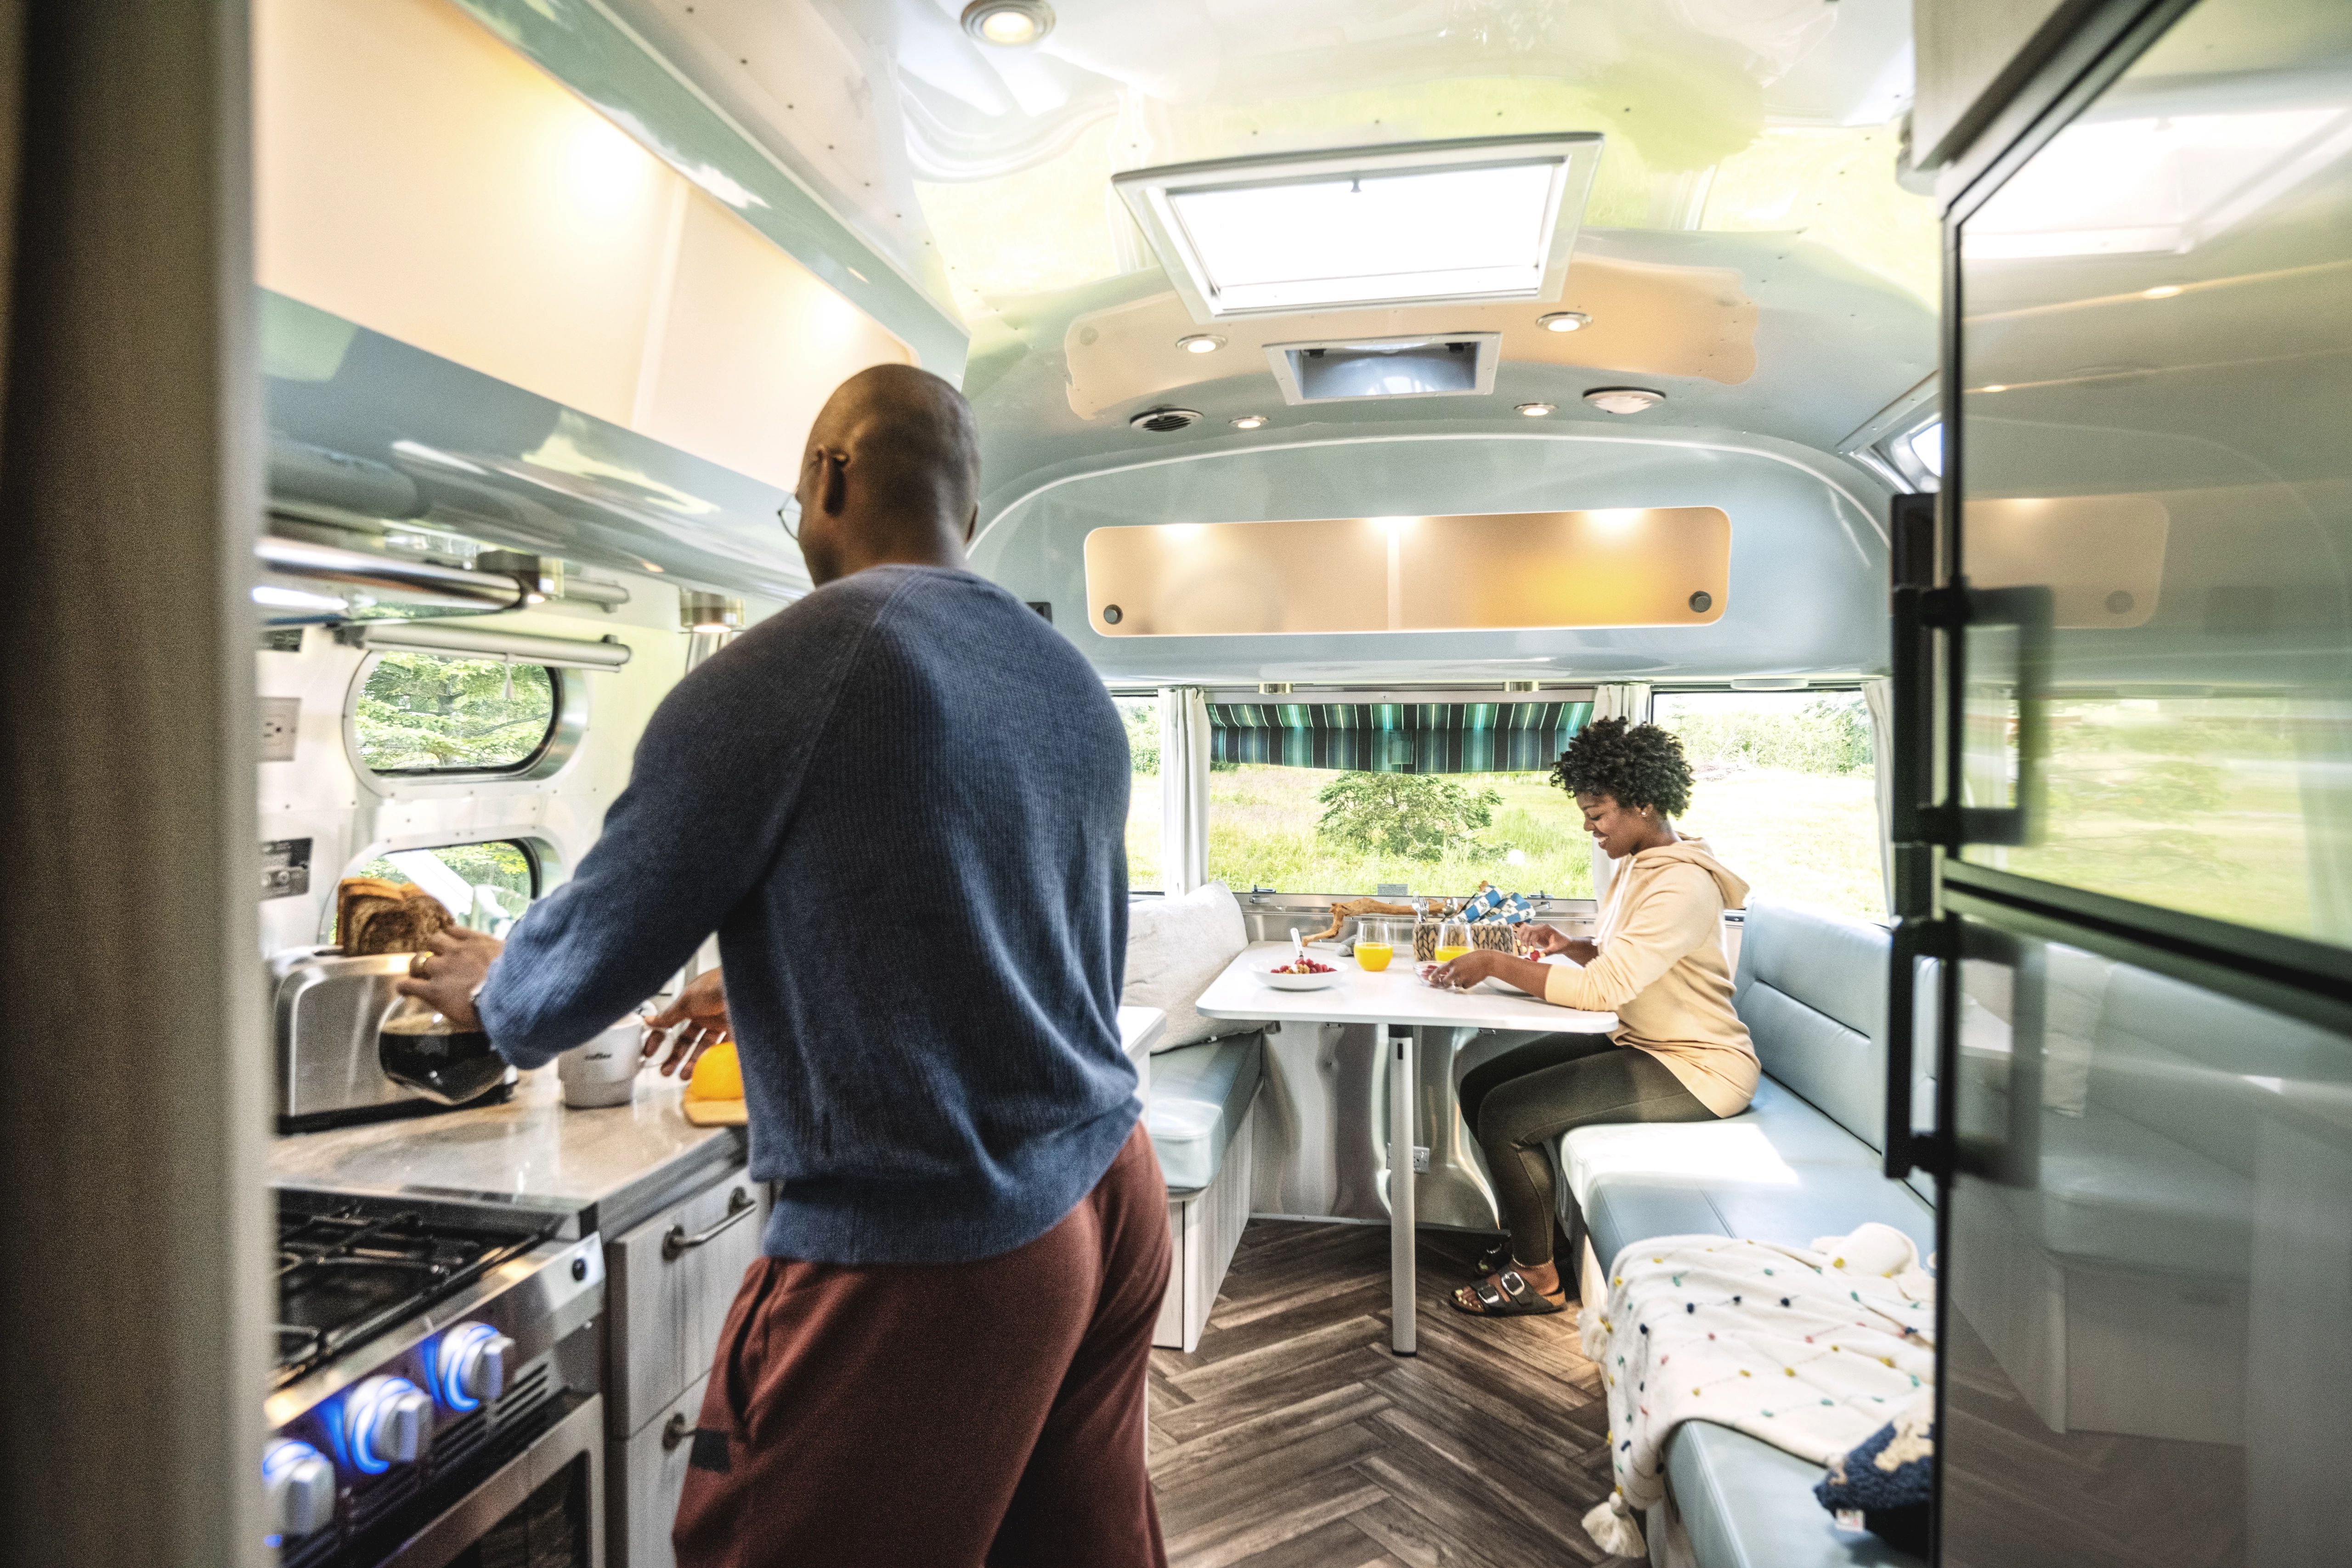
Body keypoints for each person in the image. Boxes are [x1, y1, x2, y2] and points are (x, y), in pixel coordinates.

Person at [395, 364, 1169, 1568]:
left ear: (831, 476)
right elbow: (992, 923)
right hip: (1110, 1184)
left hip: (946, 1239)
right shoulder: (1062, 673)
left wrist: (497, 981)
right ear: (970, 497)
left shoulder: (801, 662)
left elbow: (572, 973)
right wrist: (772, 975)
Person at [1424, 717, 1755, 1319]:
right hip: (1647, 1041)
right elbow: (1622, 962)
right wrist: (1569, 945)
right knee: (1477, 1082)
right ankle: (1537, 1242)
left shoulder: (1680, 885)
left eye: (1597, 813)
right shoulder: (1641, 866)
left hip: (1700, 1067)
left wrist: (1497, 962)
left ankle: (1539, 1276)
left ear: (1645, 803)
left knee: (1505, 1115)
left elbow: (1606, 989)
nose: (1588, 826)